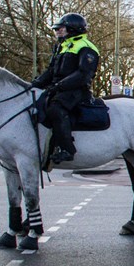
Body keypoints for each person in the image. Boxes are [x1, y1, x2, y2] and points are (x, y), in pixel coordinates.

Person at [31, 13, 99, 163]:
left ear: (73, 29)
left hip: (76, 90)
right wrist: (34, 84)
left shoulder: (86, 47)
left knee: (55, 109)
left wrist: (58, 86)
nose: (57, 32)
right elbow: (51, 71)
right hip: (59, 89)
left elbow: (83, 74)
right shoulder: (62, 46)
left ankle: (67, 149)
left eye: (60, 29)